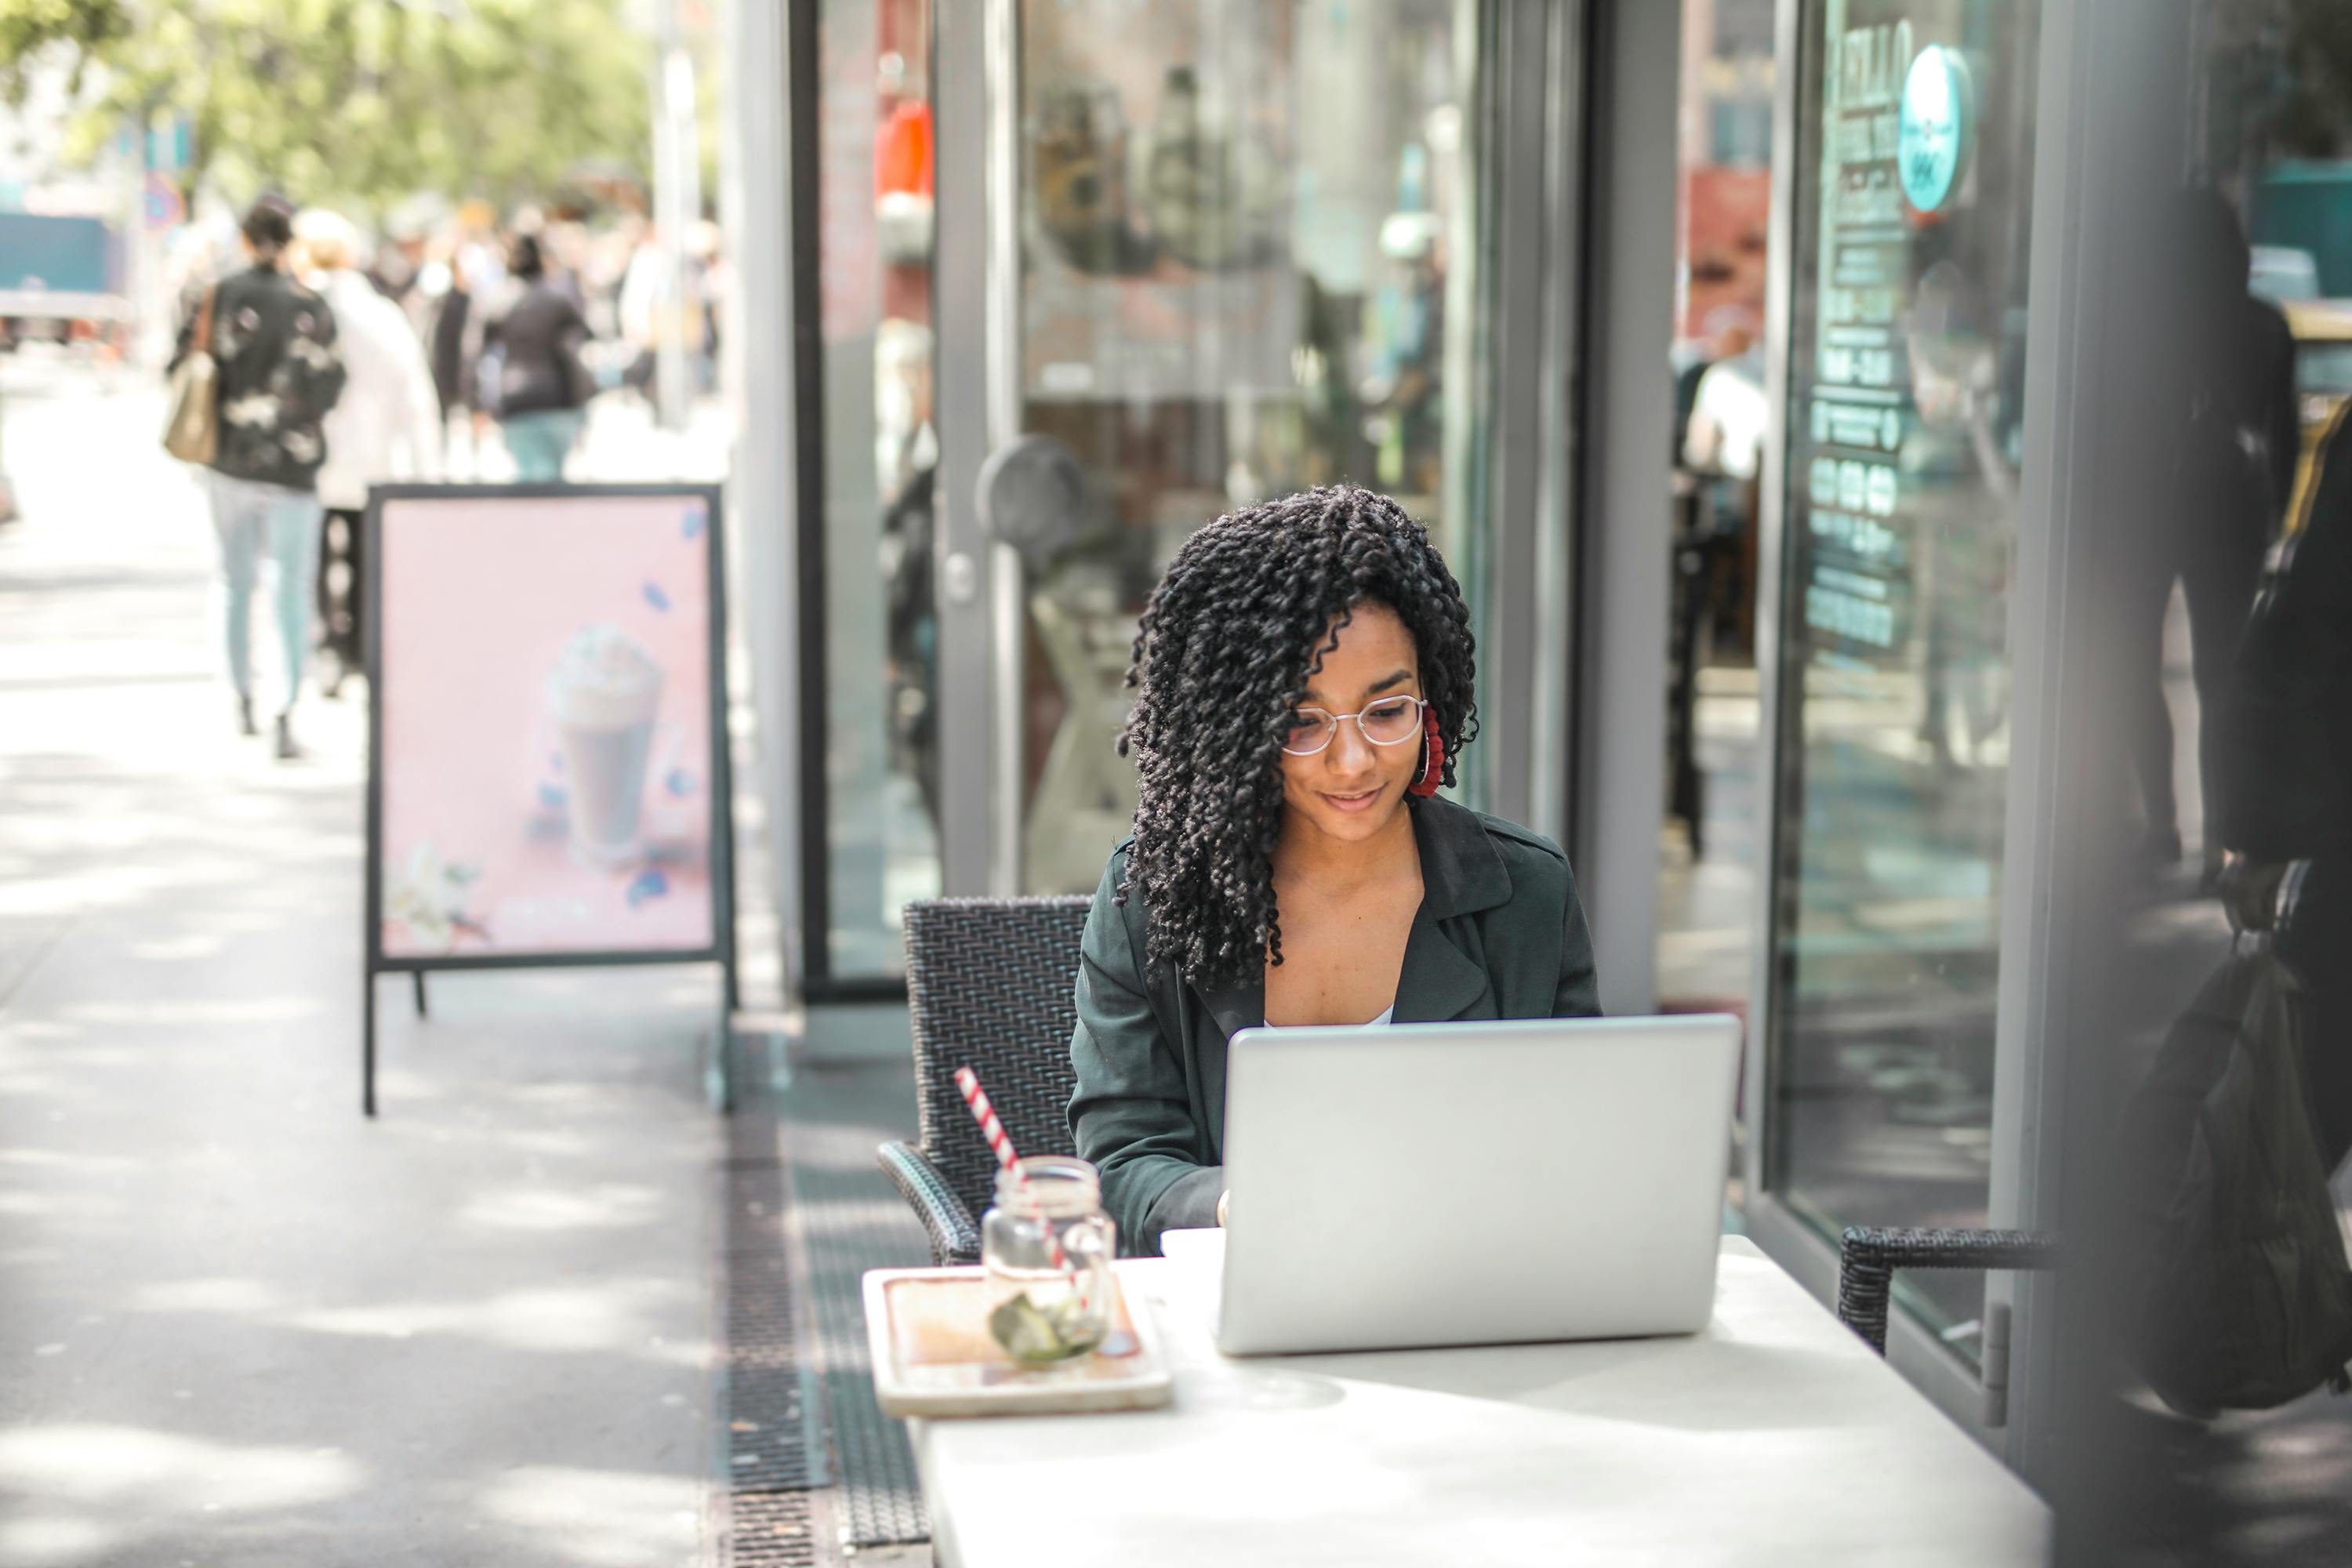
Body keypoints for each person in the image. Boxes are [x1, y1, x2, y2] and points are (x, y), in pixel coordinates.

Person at [1066, 487, 1602, 1255]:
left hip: (1473, 1299)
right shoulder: (1150, 899)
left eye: (1387, 712)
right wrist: (1231, 1202)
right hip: (1239, 1315)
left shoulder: (1525, 895)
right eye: (1302, 722)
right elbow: (1120, 1166)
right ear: (1241, 727)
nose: (1352, 762)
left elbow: (1578, 1151)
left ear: (1432, 700)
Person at [172, 196, 347, 759]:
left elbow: (186, 365)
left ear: (246, 239)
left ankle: (241, 694)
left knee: (235, 580)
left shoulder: (219, 296)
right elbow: (332, 385)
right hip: (294, 465)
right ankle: (286, 705)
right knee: (291, 586)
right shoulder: (311, 306)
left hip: (230, 459)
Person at [289, 209, 442, 694]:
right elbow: (414, 392)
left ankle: (324, 643)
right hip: (370, 457)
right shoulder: (379, 312)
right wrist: (425, 468)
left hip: (308, 458)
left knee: (310, 555)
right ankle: (355, 644)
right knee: (361, 552)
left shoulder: (299, 308)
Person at [480, 233, 593, 481]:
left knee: (531, 479)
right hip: (556, 398)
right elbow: (583, 339)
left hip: (520, 399)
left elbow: (479, 353)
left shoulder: (498, 301)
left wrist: (478, 403)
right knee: (550, 478)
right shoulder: (556, 300)